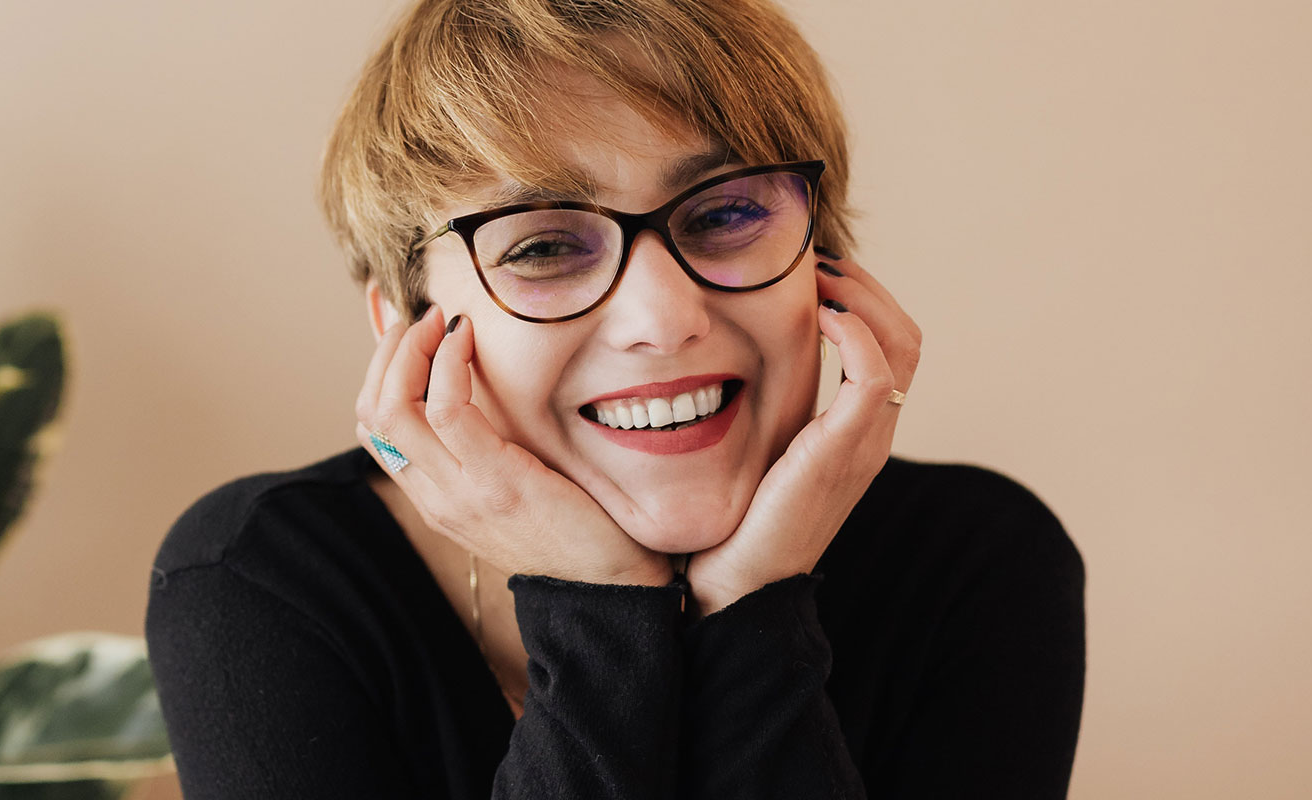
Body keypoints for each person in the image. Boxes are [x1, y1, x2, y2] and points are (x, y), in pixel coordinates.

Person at [144, 0, 1086, 796]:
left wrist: (750, 608)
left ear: (826, 264)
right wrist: (599, 607)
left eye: (724, 214)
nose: (663, 317)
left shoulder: (978, 559)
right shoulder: (258, 580)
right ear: (406, 325)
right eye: (543, 246)